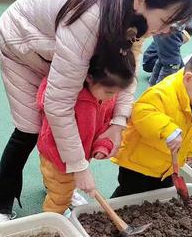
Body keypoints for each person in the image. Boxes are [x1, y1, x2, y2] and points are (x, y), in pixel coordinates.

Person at [0, 0, 192, 225]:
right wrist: (79, 166)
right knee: (30, 127)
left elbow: (129, 70)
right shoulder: (90, 17)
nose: (166, 31)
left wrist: (119, 121)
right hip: (24, 41)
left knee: (77, 121)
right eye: (165, 20)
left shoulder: (137, 10)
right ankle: (0, 203)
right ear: (140, 0)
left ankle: (59, 185)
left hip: (62, 48)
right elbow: (57, 103)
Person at [111, 45, 192, 197]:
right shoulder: (163, 93)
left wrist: (189, 148)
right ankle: (109, 215)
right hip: (138, 163)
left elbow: (191, 128)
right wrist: (167, 129)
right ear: (188, 78)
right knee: (129, 194)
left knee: (158, 194)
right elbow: (142, 112)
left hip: (165, 165)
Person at [38, 50, 136, 214]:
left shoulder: (105, 95)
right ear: (89, 78)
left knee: (63, 185)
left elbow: (105, 125)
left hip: (79, 156)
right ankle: (53, 220)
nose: (111, 97)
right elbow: (62, 135)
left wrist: (102, 146)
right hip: (58, 158)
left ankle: (61, 188)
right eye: (110, 93)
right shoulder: (72, 100)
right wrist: (79, 169)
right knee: (59, 196)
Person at [143, 20, 192, 86]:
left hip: (153, 59)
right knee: (171, 65)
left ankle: (152, 88)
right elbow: (174, 61)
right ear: (183, 33)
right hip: (150, 62)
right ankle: (160, 92)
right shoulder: (172, 38)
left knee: (164, 61)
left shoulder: (167, 41)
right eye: (188, 38)